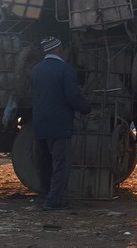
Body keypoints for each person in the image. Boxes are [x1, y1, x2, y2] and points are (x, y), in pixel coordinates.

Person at [30, 36, 92, 210]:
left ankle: (45, 195)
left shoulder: (36, 70)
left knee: (44, 164)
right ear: (58, 50)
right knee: (61, 164)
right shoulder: (66, 70)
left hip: (40, 123)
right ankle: (53, 201)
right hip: (59, 125)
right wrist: (87, 107)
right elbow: (72, 96)